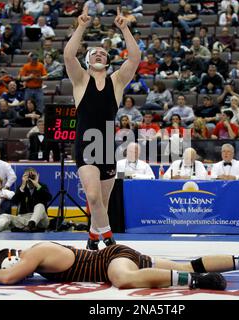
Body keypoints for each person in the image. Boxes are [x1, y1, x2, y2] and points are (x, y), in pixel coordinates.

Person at [63, 7, 141, 250]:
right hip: (86, 143)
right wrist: (82, 26)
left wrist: (125, 28)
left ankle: (92, 239)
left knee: (103, 204)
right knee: (93, 197)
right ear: (88, 60)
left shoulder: (116, 81)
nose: (99, 55)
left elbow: (135, 58)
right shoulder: (80, 80)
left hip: (106, 146)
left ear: (107, 61)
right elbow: (68, 56)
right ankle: (109, 239)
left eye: (103, 53)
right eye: (94, 53)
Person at [0, 242, 239, 289]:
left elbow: (7, 278)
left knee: (124, 280)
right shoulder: (35, 256)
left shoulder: (33, 252)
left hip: (111, 260)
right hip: (116, 255)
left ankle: (198, 283)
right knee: (188, 263)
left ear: (10, 256)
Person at [0, 168, 52, 232]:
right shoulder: (21, 188)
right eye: (28, 176)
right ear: (23, 177)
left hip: (41, 220)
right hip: (25, 219)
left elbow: (48, 197)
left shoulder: (42, 187)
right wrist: (22, 186)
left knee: (40, 205)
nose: (30, 178)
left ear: (37, 177)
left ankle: (31, 224)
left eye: (33, 176)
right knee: (4, 216)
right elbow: (14, 202)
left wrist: (37, 184)